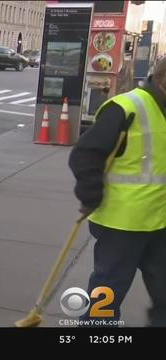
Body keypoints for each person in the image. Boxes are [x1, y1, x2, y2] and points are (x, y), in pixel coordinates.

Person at [68, 56, 166, 326]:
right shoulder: (126, 107)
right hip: (123, 223)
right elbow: (85, 155)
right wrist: (91, 195)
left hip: (159, 222)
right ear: (162, 80)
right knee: (107, 292)